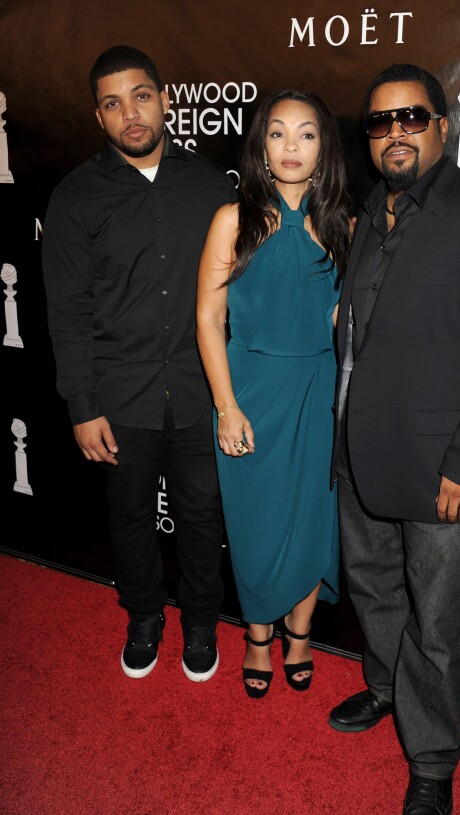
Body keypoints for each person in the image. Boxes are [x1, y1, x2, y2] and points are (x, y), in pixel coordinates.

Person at [328, 64, 460, 814]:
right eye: (381, 122)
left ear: (443, 128)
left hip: (444, 470)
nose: (394, 133)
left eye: (411, 117)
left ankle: (432, 756)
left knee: (441, 622)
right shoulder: (368, 216)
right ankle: (386, 687)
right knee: (375, 590)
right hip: (359, 456)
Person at [42, 46, 236, 682]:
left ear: (165, 98)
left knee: (203, 515)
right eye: (112, 102)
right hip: (119, 396)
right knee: (129, 516)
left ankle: (202, 621)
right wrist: (82, 404)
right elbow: (66, 311)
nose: (130, 113)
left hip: (199, 389)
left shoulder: (212, 186)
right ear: (98, 117)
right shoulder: (74, 199)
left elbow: (236, 300)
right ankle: (145, 614)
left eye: (141, 95)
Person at [196, 89, 351, 698]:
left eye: (306, 133)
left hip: (317, 393)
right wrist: (226, 406)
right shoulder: (232, 220)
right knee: (257, 522)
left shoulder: (344, 223)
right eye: (279, 132)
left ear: (323, 148)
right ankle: (258, 635)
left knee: (314, 519)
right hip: (250, 392)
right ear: (261, 143)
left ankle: (302, 633)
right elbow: (209, 320)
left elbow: (345, 320)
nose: (292, 146)